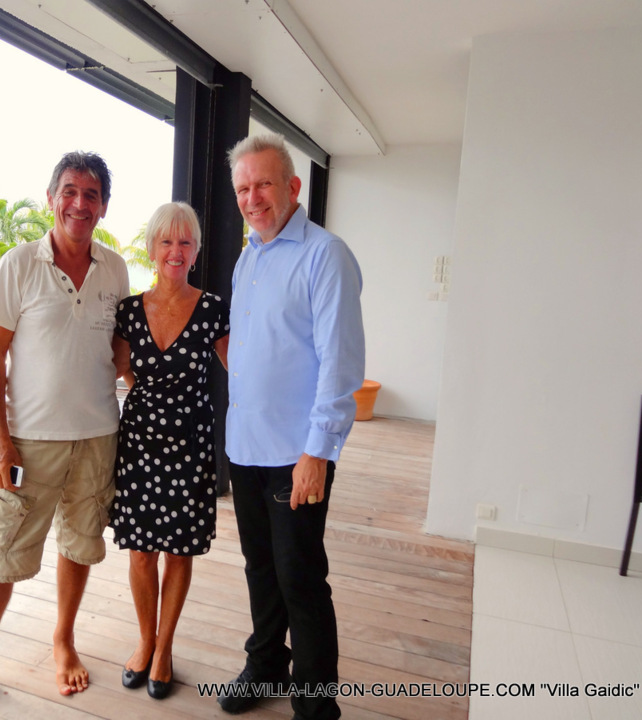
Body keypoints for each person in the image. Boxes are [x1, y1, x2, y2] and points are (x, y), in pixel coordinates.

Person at [0, 151, 129, 720]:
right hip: (29, 440)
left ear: (103, 206)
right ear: (52, 199)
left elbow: (119, 352)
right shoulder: (18, 264)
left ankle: (63, 638)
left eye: (91, 194)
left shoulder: (115, 269)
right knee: (1, 554)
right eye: (69, 191)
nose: (80, 203)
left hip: (98, 435)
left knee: (79, 544)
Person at [218, 134, 365, 720]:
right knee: (260, 569)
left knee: (300, 578)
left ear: (293, 187)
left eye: (264, 184)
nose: (253, 198)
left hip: (296, 453)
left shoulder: (325, 255)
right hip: (246, 446)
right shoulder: (248, 255)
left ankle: (314, 702)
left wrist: (318, 453)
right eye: (243, 188)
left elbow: (341, 363)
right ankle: (265, 663)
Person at [110, 201, 229, 700]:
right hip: (139, 442)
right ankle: (144, 640)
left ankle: (165, 649)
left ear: (196, 251)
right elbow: (118, 371)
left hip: (190, 447)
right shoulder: (130, 312)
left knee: (178, 553)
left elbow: (243, 371)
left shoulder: (213, 310)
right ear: (152, 249)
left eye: (185, 242)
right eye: (166, 242)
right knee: (141, 554)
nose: (175, 251)